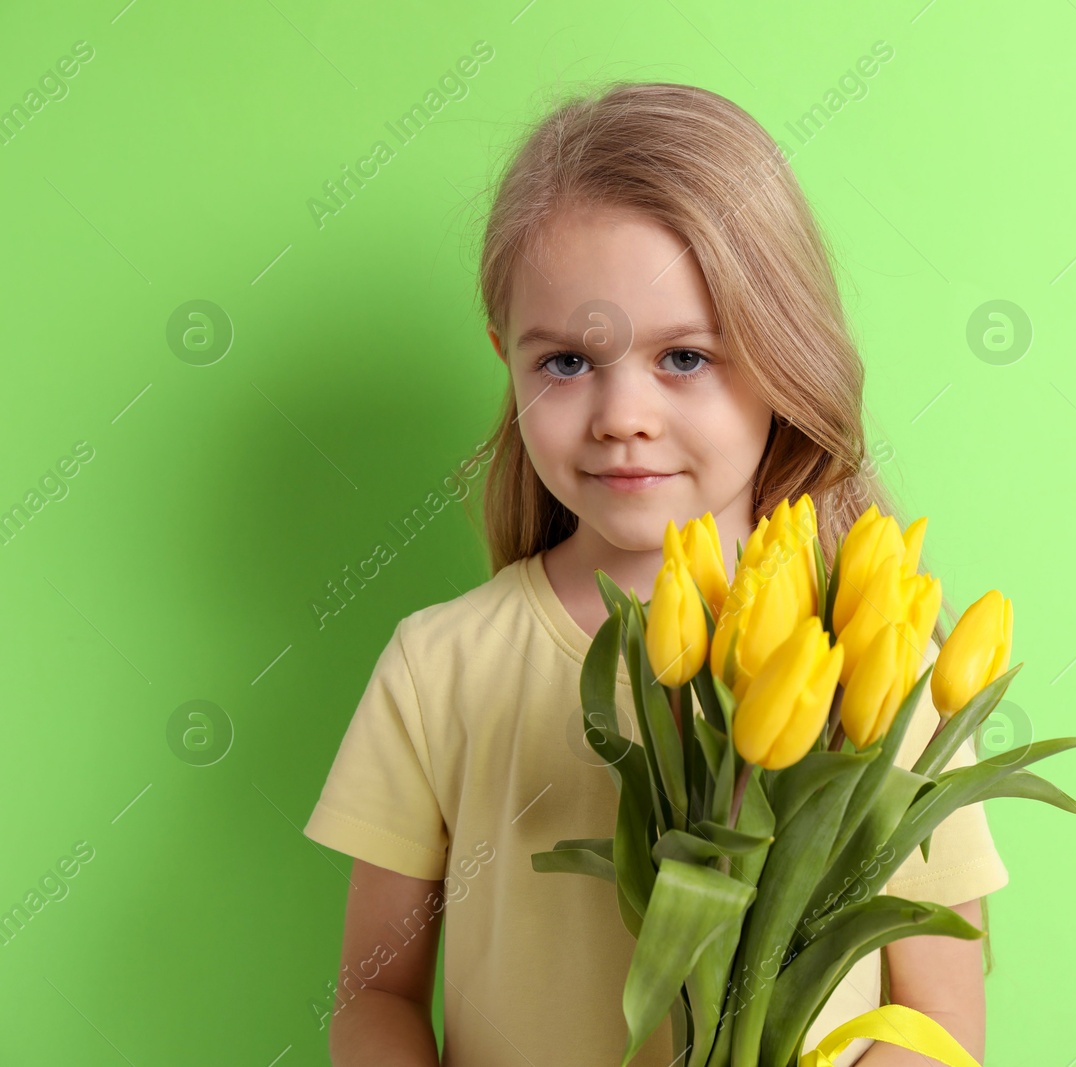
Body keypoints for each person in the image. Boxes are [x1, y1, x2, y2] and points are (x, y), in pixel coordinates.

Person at [303, 80, 1009, 1067]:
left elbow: (935, 1016)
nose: (621, 414)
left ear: (781, 357)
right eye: (564, 363)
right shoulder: (440, 664)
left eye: (683, 357)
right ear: (506, 358)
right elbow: (373, 993)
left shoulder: (873, 662)